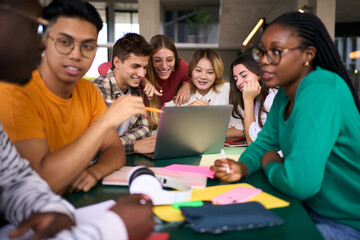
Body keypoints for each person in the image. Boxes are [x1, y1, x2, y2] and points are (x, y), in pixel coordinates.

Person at [0, 0, 154, 239]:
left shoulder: (88, 91)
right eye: (64, 42)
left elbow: (115, 149)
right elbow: (44, 181)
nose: (76, 55)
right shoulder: (14, 90)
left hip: (65, 208)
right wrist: (104, 123)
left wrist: (94, 173)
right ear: (44, 42)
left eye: (88, 46)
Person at [211, 11, 360, 240]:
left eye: (276, 52)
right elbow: (264, 144)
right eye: (262, 52)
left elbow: (300, 183)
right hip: (310, 208)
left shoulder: (320, 90)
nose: (263, 60)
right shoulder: (284, 93)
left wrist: (270, 163)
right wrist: (241, 167)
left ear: (307, 55)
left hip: (346, 222)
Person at [93, 33, 156, 154]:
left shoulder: (135, 88)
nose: (142, 74)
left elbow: (144, 128)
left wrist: (114, 144)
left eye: (144, 67)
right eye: (135, 66)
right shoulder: (97, 90)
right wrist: (133, 145)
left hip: (120, 161)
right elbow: (93, 142)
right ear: (117, 62)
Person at [227, 52, 278, 144]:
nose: (238, 83)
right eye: (236, 79)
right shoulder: (258, 100)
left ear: (259, 73)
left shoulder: (273, 98)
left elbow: (252, 142)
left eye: (244, 76)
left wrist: (248, 100)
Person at [146, 34, 192, 130]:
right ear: (150, 60)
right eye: (158, 60)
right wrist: (144, 81)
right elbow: (107, 67)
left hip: (162, 122)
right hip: (142, 122)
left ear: (175, 59)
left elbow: (198, 75)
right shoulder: (142, 70)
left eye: (169, 60)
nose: (164, 66)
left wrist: (188, 84)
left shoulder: (180, 67)